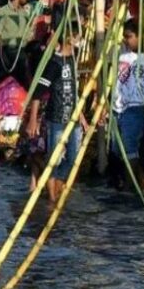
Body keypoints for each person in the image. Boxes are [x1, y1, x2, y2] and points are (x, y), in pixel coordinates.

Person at [25, 19, 86, 202]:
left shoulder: (73, 61)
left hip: (73, 119)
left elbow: (74, 92)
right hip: (57, 118)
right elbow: (38, 92)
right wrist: (33, 120)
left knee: (72, 159)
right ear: (69, 38)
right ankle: (52, 199)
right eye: (78, 37)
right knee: (55, 159)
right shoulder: (55, 63)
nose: (80, 41)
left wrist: (82, 116)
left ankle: (57, 188)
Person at [111, 18, 144, 192]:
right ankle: (138, 181)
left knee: (129, 148)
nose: (126, 40)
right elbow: (117, 82)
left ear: (140, 36)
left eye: (129, 36)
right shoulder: (123, 56)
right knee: (119, 149)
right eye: (125, 37)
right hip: (121, 107)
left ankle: (135, 183)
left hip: (138, 105)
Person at [0, 0, 34, 84]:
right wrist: (3, 56)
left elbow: (28, 32)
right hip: (8, 53)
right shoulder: (2, 12)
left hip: (23, 51)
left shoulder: (24, 13)